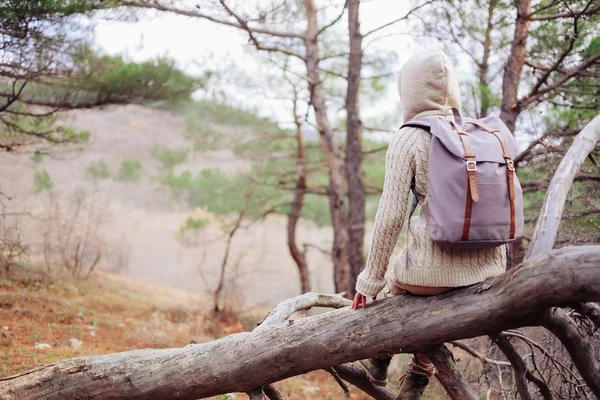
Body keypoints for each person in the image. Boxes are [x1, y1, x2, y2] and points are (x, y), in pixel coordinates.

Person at [351, 50, 507, 399]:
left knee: (394, 277)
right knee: (442, 295)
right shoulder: (474, 134)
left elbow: (391, 216)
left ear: (409, 89)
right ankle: (419, 376)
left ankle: (379, 358)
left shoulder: (409, 137)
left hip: (428, 277)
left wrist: (370, 282)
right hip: (487, 271)